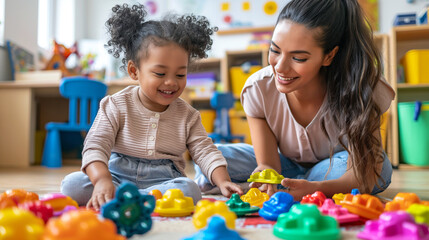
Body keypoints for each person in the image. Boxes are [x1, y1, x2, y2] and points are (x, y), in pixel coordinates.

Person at [195, 0, 395, 200]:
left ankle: (307, 185)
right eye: (275, 50)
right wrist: (265, 175)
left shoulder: (361, 86)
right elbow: (269, 165)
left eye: (298, 58)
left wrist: (317, 187)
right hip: (285, 165)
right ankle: (295, 185)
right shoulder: (258, 89)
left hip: (334, 165)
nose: (280, 67)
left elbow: (366, 171)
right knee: (213, 155)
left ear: (329, 56)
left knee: (377, 168)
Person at [61, 3, 242, 210]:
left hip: (164, 180)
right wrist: (102, 179)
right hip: (117, 175)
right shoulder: (115, 105)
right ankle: (133, 197)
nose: (171, 82)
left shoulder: (188, 115)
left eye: (180, 75)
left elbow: (205, 150)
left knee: (189, 190)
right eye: (160, 74)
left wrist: (222, 180)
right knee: (72, 185)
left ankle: (129, 198)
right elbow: (96, 146)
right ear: (134, 70)